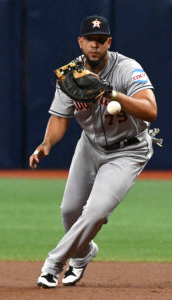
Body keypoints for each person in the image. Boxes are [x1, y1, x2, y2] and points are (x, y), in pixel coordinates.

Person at [30, 15, 158, 288]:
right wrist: (47, 143)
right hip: (90, 145)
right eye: (90, 40)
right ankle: (84, 253)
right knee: (69, 210)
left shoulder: (127, 68)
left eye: (101, 40)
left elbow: (151, 110)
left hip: (129, 149)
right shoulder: (70, 75)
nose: (95, 45)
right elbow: (60, 117)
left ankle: (53, 264)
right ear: (80, 42)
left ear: (109, 42)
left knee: (96, 210)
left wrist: (114, 94)